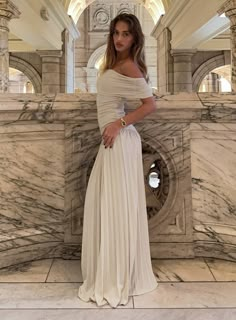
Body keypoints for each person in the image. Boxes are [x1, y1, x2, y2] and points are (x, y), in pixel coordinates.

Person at [78, 13, 158, 308]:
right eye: (116, 33)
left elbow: (150, 104)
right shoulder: (113, 64)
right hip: (112, 145)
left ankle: (119, 275)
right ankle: (111, 269)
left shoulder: (129, 66)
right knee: (109, 206)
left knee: (116, 207)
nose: (120, 39)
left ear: (135, 38)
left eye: (126, 34)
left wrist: (119, 123)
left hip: (120, 142)